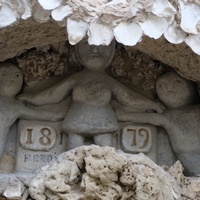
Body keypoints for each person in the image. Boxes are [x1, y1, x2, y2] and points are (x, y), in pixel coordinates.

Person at [18, 39, 164, 149]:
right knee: (73, 149)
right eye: (88, 44)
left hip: (103, 121)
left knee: (106, 152)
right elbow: (54, 94)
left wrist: (152, 104)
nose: (95, 50)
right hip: (77, 121)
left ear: (111, 51)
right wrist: (31, 99)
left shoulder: (108, 81)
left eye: (102, 45)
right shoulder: (77, 78)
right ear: (78, 51)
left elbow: (128, 98)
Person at [116, 72, 200, 176]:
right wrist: (123, 116)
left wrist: (123, 115)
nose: (169, 89)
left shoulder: (194, 111)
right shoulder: (168, 115)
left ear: (192, 88)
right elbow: (150, 118)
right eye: (162, 86)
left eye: (178, 83)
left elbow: (151, 118)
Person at [0, 62, 65, 159]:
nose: (11, 79)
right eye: (4, 74)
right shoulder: (15, 106)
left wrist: (59, 115)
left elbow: (39, 115)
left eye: (17, 75)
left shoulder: (15, 106)